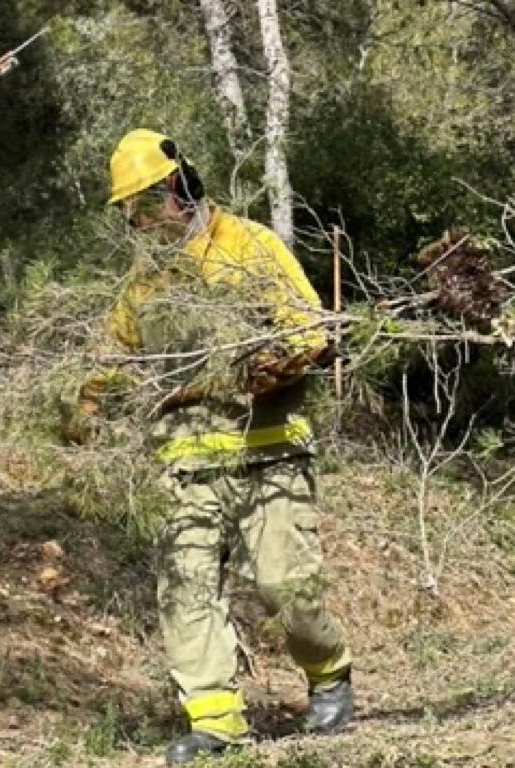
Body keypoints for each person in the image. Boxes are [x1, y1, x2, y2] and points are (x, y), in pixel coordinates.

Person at [75, 129, 353, 765]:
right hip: (189, 463)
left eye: (144, 204)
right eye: (128, 211)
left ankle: (330, 672)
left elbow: (309, 330)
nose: (138, 221)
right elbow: (113, 355)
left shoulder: (249, 244)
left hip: (270, 450)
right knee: (184, 590)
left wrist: (260, 367)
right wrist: (85, 403)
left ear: (178, 186)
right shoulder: (147, 281)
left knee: (286, 587)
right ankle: (217, 722)